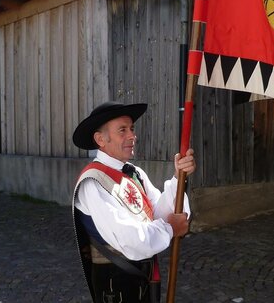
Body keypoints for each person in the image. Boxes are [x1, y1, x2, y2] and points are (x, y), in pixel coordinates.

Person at [72, 101, 196, 303]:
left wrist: (178, 178)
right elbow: (131, 240)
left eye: (132, 129)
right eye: (123, 130)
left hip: (142, 279)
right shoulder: (92, 183)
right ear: (100, 139)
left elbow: (159, 213)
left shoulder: (134, 173)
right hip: (117, 285)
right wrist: (170, 228)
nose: (132, 136)